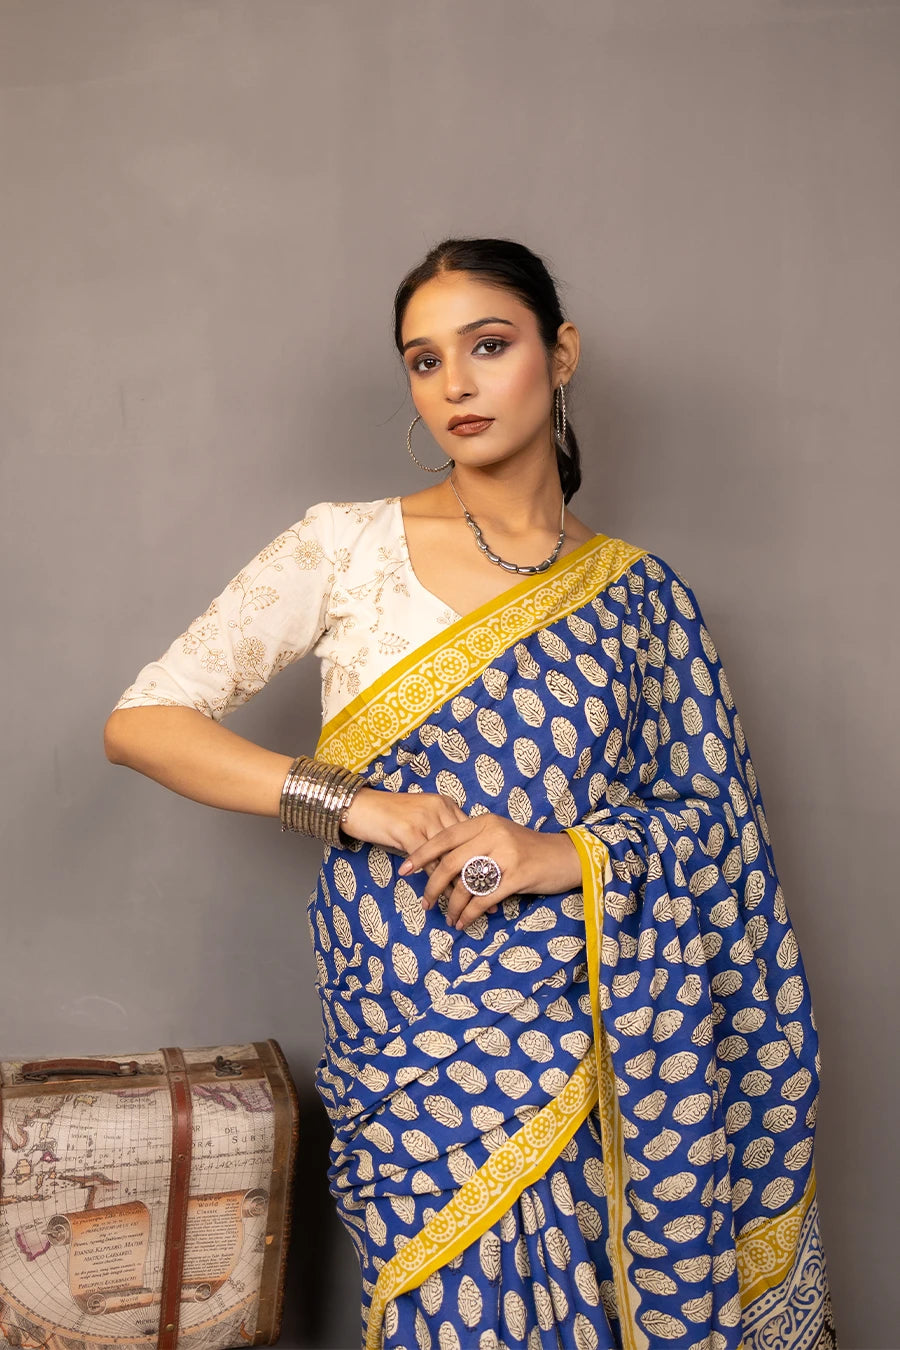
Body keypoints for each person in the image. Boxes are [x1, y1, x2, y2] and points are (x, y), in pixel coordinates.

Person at [104, 237, 835, 1350]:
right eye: (424, 359)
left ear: (561, 353)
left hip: (602, 1040)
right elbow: (144, 722)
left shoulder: (642, 600)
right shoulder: (346, 547)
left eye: (488, 346)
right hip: (413, 1037)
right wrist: (352, 802)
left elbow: (717, 832)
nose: (455, 383)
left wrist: (559, 853)